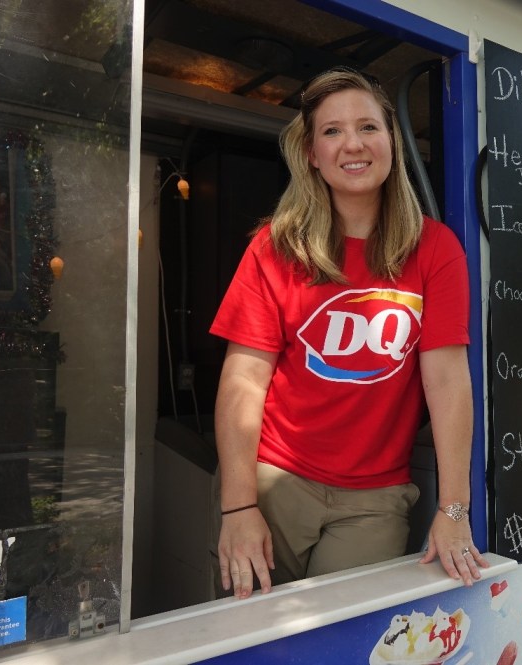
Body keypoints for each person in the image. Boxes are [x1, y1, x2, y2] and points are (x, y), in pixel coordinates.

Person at [210, 67, 489, 599]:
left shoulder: (436, 249)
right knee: (252, 644)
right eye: (332, 131)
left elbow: (449, 382)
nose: (353, 144)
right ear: (311, 153)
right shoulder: (274, 247)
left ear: (391, 142)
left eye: (368, 127)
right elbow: (244, 379)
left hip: (376, 498)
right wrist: (239, 505)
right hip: (272, 482)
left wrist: (454, 509)